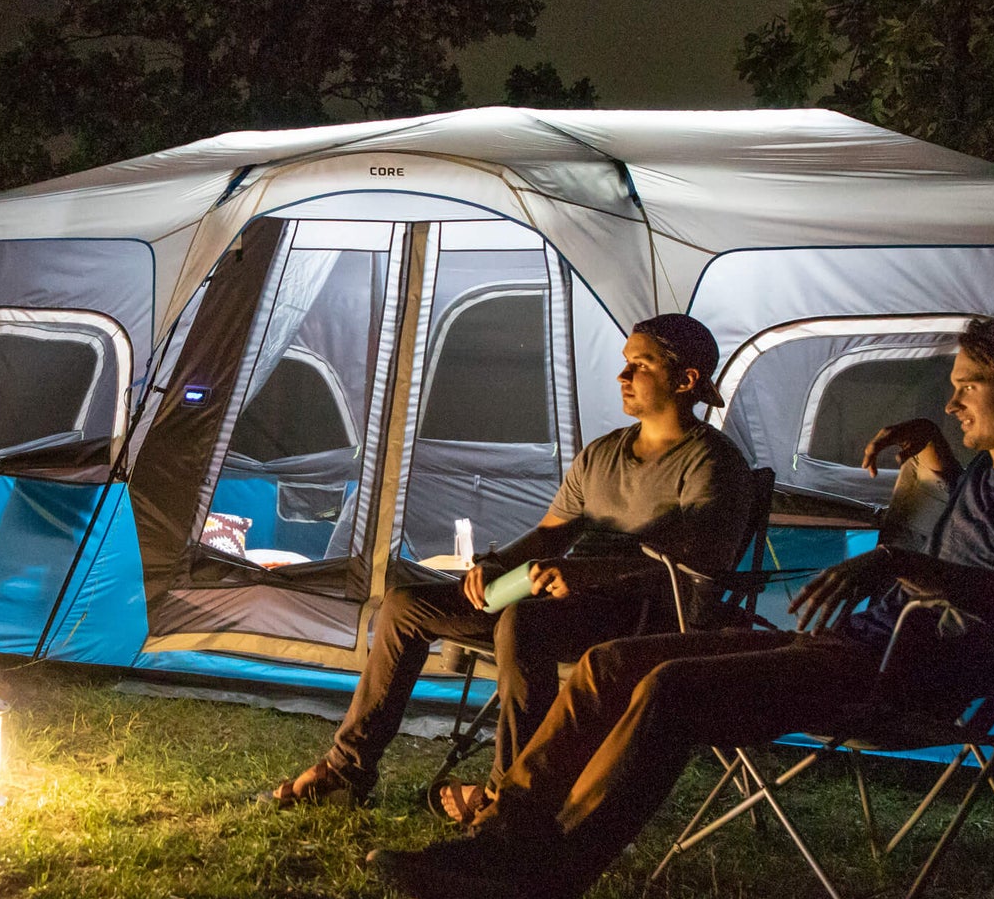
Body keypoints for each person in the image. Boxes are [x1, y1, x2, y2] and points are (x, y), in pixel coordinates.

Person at [368, 314, 994, 899]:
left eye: (968, 386)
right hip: (851, 644)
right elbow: (967, 528)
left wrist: (896, 562)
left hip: (907, 676)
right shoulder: (990, 471)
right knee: (608, 663)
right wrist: (930, 449)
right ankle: (496, 844)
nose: (952, 401)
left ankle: (537, 890)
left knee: (671, 688)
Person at [264, 313, 757, 813]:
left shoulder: (712, 464)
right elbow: (551, 533)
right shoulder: (603, 454)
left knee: (524, 621)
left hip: (641, 616)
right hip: (561, 599)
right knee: (405, 605)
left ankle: (509, 799)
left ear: (686, 380)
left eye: (641, 365)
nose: (622, 375)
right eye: (625, 362)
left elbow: (699, 567)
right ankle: (346, 770)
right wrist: (497, 565)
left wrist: (589, 574)